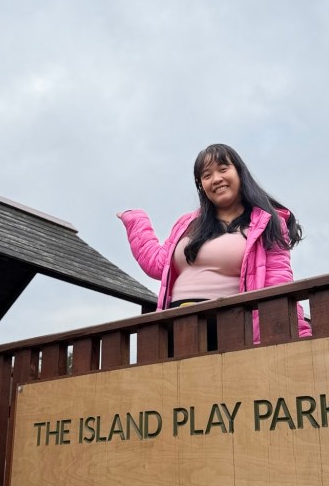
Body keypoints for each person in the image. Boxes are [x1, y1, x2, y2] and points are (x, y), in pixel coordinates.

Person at [118, 143, 311, 339]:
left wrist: (298, 332)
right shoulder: (187, 224)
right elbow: (158, 264)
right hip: (177, 327)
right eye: (207, 175)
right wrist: (136, 221)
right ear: (201, 185)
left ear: (239, 173)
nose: (216, 179)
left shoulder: (266, 223)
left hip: (230, 327)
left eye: (223, 169)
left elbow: (278, 282)